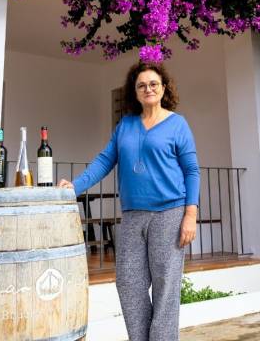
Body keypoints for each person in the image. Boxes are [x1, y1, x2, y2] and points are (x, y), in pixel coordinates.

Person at [58, 62, 200, 341]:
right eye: (141, 85)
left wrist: (190, 215)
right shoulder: (126, 125)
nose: (148, 89)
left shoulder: (177, 124)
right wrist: (75, 186)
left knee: (165, 286)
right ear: (134, 92)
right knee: (128, 283)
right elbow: (104, 161)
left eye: (153, 84)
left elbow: (192, 170)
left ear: (164, 88)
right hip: (133, 215)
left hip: (169, 212)